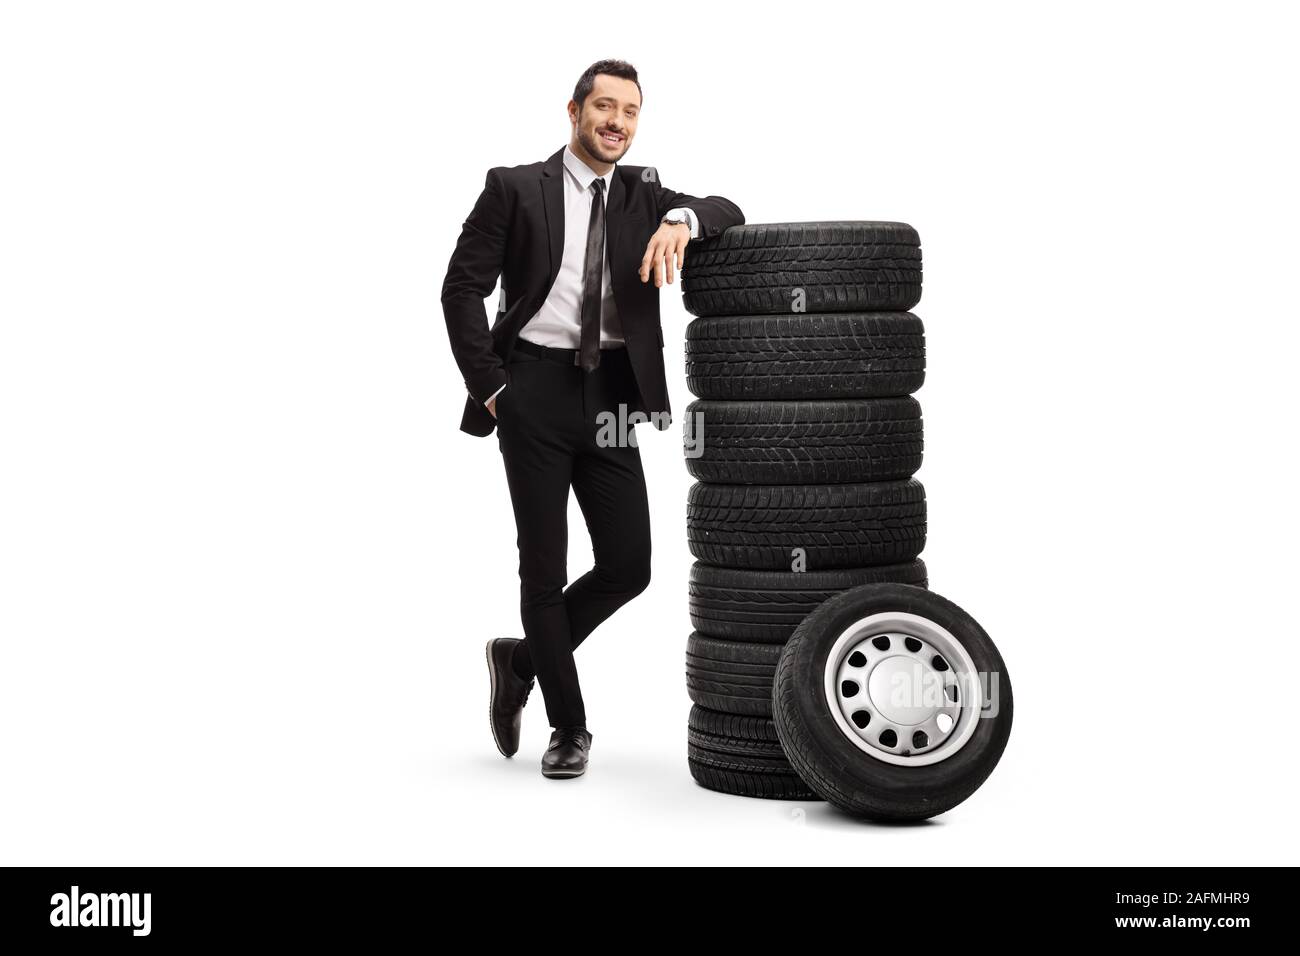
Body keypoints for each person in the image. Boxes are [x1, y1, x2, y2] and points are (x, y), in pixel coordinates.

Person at [441, 59, 744, 778]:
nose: (617, 122)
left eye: (630, 112)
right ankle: (569, 727)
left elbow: (728, 207)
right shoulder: (514, 187)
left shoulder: (644, 192)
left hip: (612, 397)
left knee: (628, 565)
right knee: (544, 569)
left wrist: (683, 219)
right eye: (604, 107)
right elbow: (461, 289)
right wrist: (493, 391)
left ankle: (519, 660)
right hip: (532, 395)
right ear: (573, 111)